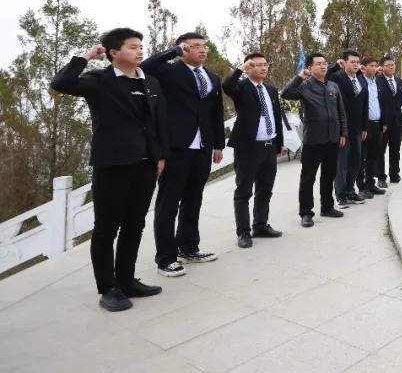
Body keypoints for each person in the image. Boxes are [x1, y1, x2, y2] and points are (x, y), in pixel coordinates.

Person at [50, 28, 168, 311]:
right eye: (132, 47)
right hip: (112, 165)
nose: (140, 51)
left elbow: (158, 121)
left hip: (146, 165)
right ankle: (108, 289)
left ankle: (126, 281)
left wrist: (161, 156)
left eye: (140, 46)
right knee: (106, 229)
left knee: (134, 225)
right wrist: (86, 56)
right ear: (114, 52)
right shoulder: (99, 80)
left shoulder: (150, 81)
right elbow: (61, 83)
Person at [140, 32, 225, 277]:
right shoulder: (169, 71)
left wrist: (218, 144)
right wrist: (173, 52)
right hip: (176, 147)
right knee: (168, 203)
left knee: (193, 200)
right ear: (184, 48)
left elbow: (216, 113)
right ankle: (166, 258)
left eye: (204, 46)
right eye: (195, 46)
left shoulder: (212, 77)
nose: (202, 50)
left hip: (202, 147)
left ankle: (189, 248)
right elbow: (145, 67)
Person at [223, 52, 284, 249]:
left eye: (265, 64)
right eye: (257, 65)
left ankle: (260, 225)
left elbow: (276, 116)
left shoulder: (271, 90)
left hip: (269, 145)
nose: (263, 68)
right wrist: (239, 69)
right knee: (244, 191)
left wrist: (279, 142)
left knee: (265, 189)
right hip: (248, 148)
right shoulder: (241, 87)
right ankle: (243, 232)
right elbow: (227, 86)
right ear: (248, 68)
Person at [281, 53, 347, 227]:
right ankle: (306, 213)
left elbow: (341, 112)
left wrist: (343, 133)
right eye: (318, 64)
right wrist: (299, 77)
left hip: (333, 138)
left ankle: (327, 207)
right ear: (309, 68)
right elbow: (286, 93)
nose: (323, 66)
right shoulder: (304, 86)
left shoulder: (333, 86)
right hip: (313, 140)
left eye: (325, 63)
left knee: (328, 175)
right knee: (308, 178)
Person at [327, 50, 367, 207]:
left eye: (357, 62)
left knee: (356, 162)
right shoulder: (337, 78)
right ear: (344, 63)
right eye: (352, 62)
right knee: (341, 164)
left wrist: (364, 127)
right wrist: (335, 66)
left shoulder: (361, 81)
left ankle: (350, 191)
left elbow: (364, 105)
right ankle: (340, 195)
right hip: (342, 129)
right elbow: (325, 76)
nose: (356, 64)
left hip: (357, 129)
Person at [358, 55, 390, 195]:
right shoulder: (359, 82)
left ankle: (371, 183)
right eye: (371, 66)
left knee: (373, 156)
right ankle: (362, 187)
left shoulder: (376, 83)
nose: (374, 68)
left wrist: (384, 122)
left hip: (377, 124)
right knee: (362, 158)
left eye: (375, 65)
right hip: (365, 125)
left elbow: (381, 103)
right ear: (363, 67)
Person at [379, 55, 402, 183]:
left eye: (392, 64)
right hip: (383, 123)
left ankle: (394, 174)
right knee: (380, 151)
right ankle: (381, 177)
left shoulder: (399, 81)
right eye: (388, 65)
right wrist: (382, 121)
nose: (391, 67)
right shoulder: (377, 81)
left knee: (395, 149)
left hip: (397, 121)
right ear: (382, 67)